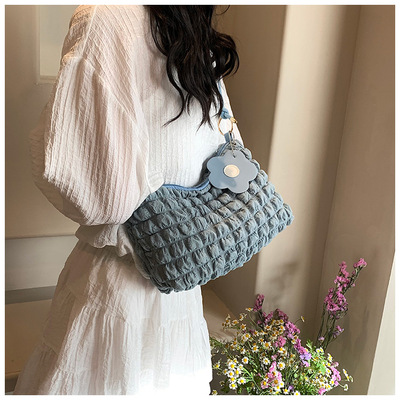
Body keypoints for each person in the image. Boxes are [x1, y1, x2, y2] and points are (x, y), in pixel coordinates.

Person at [13, 5, 241, 395]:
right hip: (180, 286)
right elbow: (216, 153)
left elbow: (96, 192)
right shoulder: (188, 26)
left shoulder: (106, 17)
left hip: (118, 292)